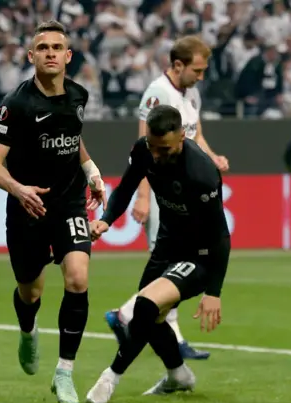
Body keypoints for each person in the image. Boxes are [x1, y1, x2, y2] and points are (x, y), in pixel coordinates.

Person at [0, 20, 106, 403]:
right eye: (43, 47)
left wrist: (91, 170)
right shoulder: (15, 105)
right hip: (27, 206)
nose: (50, 52)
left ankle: (65, 371)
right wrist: (18, 189)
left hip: (69, 200)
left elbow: (72, 138)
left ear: (68, 56)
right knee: (30, 290)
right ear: (31, 56)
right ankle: (27, 329)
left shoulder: (79, 95)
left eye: (57, 47)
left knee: (78, 278)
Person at [86, 105, 231, 403]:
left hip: (199, 256)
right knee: (150, 317)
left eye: (163, 149)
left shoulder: (202, 173)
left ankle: (110, 378)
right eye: (152, 146)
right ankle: (178, 375)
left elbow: (220, 236)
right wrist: (106, 220)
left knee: (146, 305)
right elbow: (125, 188)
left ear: (181, 137)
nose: (156, 155)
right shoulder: (145, 150)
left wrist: (214, 292)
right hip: (166, 247)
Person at [105, 35, 230, 360]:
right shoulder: (158, 93)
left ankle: (138, 321)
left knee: (172, 273)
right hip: (165, 192)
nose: (201, 77)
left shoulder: (191, 93)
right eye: (197, 70)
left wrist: (212, 158)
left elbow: (196, 135)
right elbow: (146, 146)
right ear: (178, 65)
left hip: (186, 185)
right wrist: (143, 197)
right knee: (168, 271)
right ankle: (138, 322)